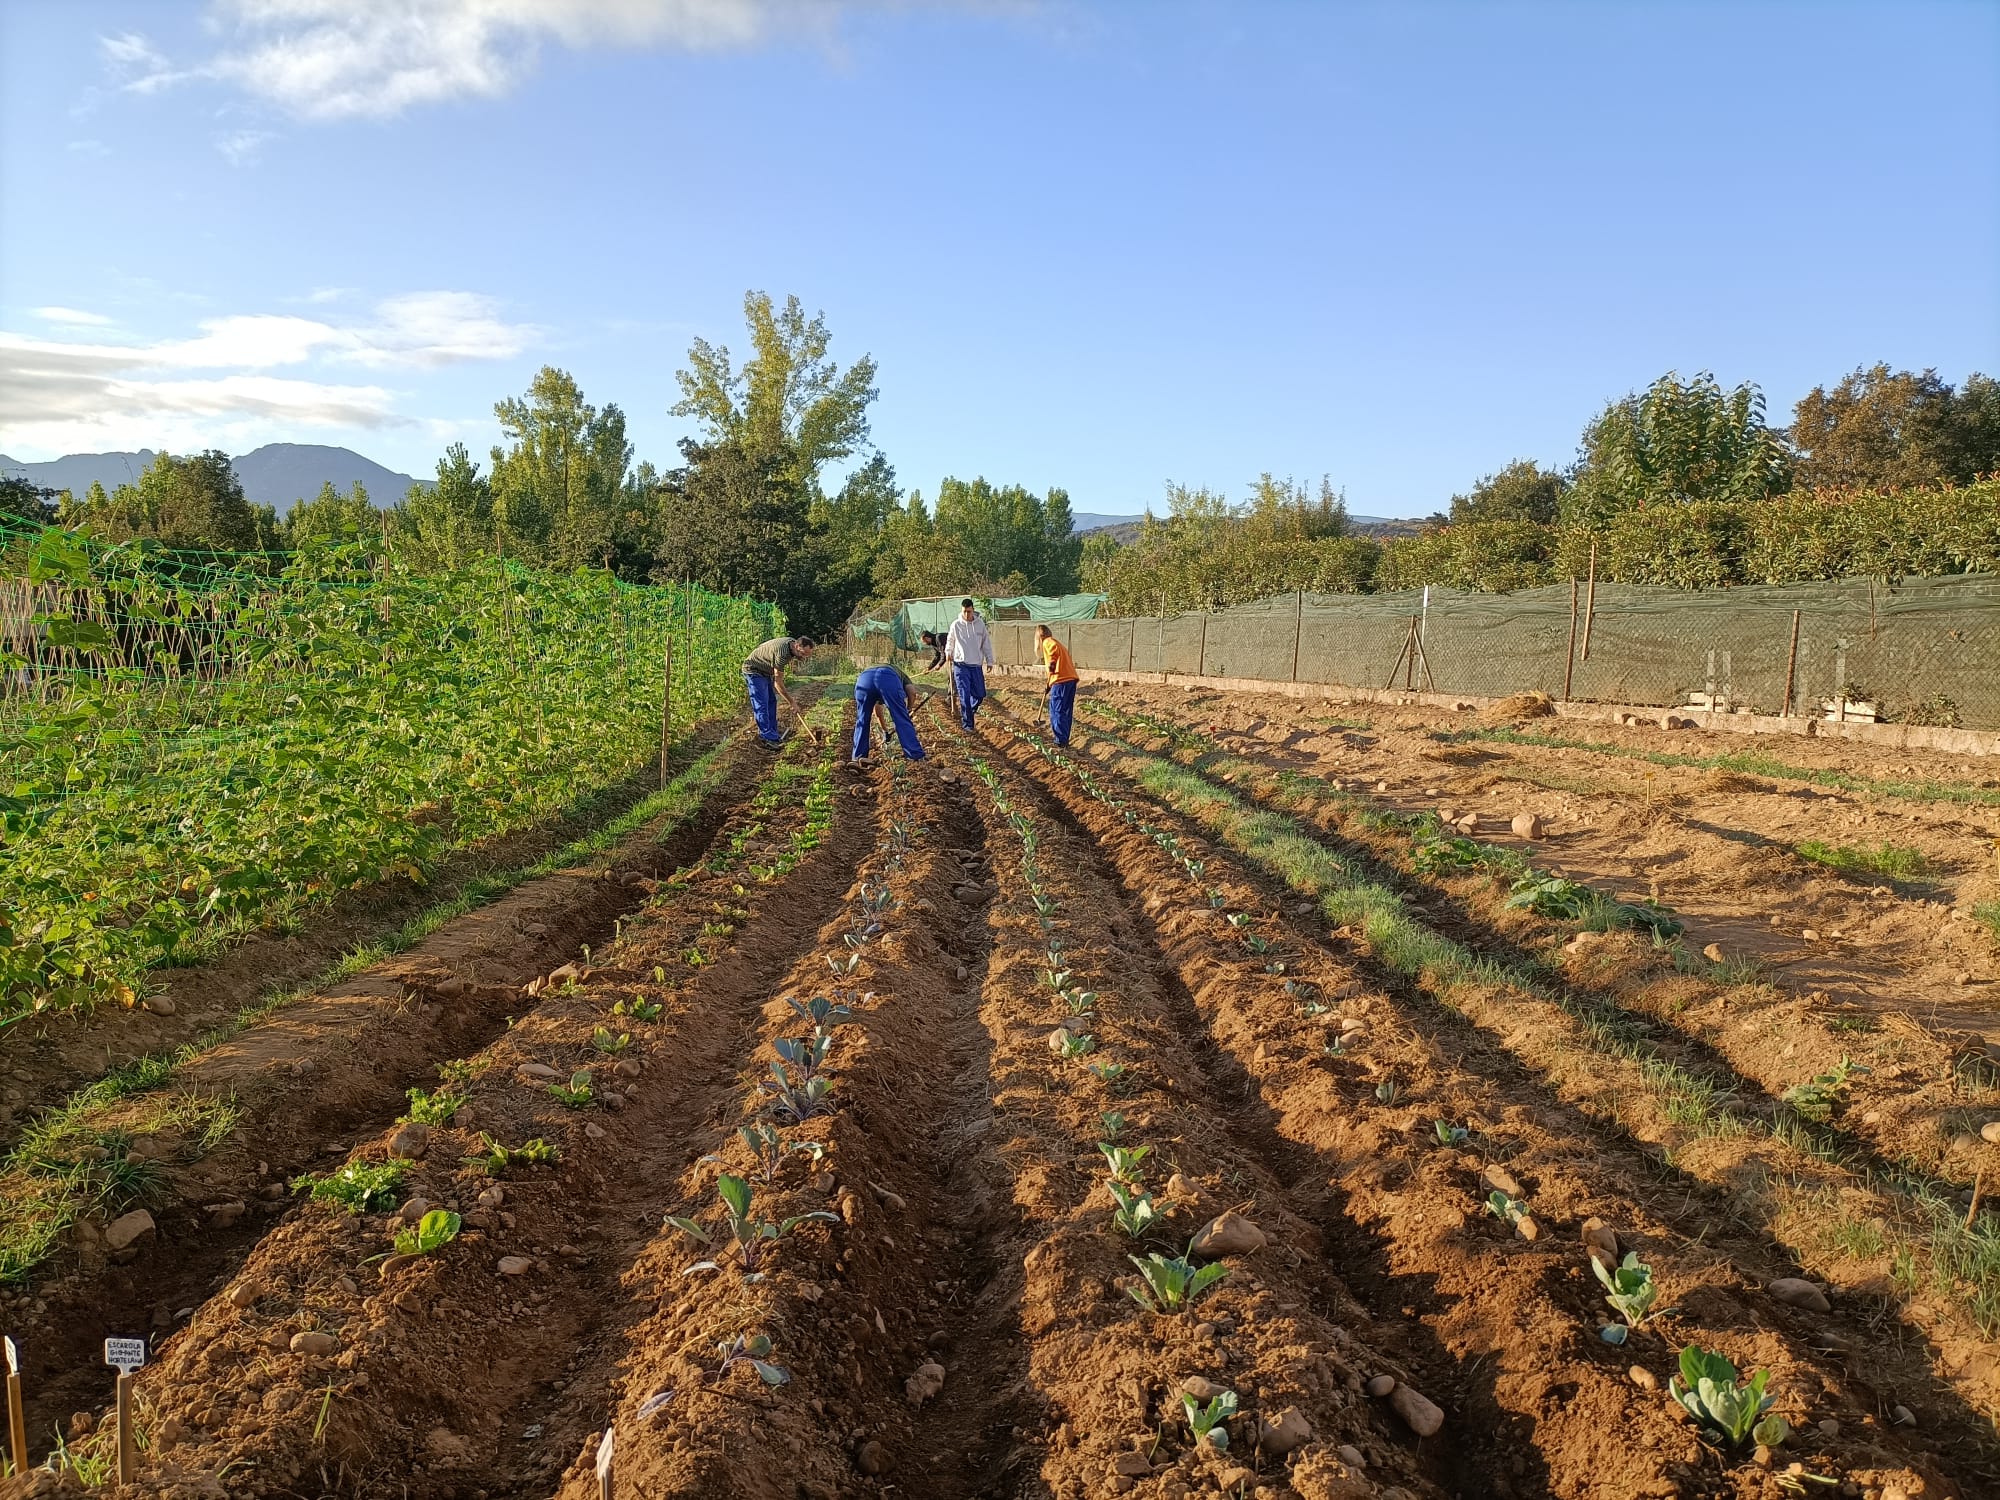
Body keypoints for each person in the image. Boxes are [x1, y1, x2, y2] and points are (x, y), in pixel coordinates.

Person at [742, 634, 814, 748]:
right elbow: (778, 683)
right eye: (803, 653)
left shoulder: (791, 644)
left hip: (765, 671)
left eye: (806, 655)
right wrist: (792, 702)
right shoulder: (782, 654)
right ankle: (767, 737)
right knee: (762, 704)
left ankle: (773, 734)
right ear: (797, 646)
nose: (803, 657)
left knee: (771, 701)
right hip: (753, 670)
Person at [852, 663, 927, 761]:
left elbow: (878, 712)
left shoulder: (879, 670)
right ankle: (915, 755)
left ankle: (858, 757)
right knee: (901, 719)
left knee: (862, 720)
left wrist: (885, 731)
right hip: (887, 678)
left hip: (864, 679)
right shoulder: (902, 675)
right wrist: (908, 710)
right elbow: (912, 693)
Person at [944, 597, 995, 732]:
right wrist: (948, 652)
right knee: (964, 695)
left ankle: (968, 712)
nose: (966, 614)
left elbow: (986, 643)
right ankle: (968, 725)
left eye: (969, 611)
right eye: (964, 612)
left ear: (973, 610)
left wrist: (990, 660)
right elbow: (950, 640)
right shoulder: (956, 625)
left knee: (980, 694)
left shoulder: (980, 625)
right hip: (960, 665)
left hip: (976, 665)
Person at [1035, 623, 1080, 746]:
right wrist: (1049, 683)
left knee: (1056, 710)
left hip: (1061, 680)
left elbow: (1053, 654)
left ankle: (1059, 741)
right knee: (1066, 711)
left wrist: (1052, 666)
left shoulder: (1047, 642)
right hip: (1070, 679)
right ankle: (1063, 740)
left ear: (1040, 637)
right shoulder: (1059, 644)